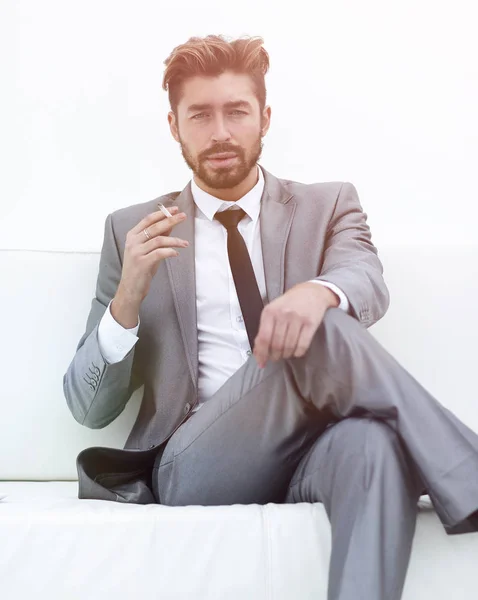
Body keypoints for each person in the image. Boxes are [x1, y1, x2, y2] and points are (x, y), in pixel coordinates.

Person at [63, 34, 478, 600]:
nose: (220, 132)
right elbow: (89, 408)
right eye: (200, 115)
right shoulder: (131, 230)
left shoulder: (329, 204)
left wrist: (319, 291)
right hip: (197, 463)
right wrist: (127, 299)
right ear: (173, 126)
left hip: (316, 451)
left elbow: (365, 279)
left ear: (265, 117)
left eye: (236, 111)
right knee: (320, 328)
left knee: (372, 444)